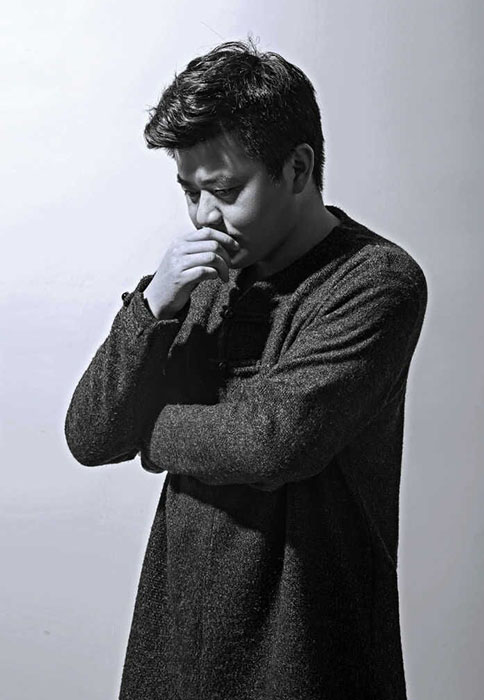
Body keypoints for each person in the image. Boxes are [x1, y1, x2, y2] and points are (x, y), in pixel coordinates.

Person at [65, 39, 428, 700]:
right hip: (174, 656)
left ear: (297, 168)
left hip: (308, 654)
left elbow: (275, 441)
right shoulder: (194, 281)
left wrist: (151, 431)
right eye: (190, 192)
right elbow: (90, 436)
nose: (204, 217)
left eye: (226, 191)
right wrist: (151, 305)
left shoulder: (377, 281)